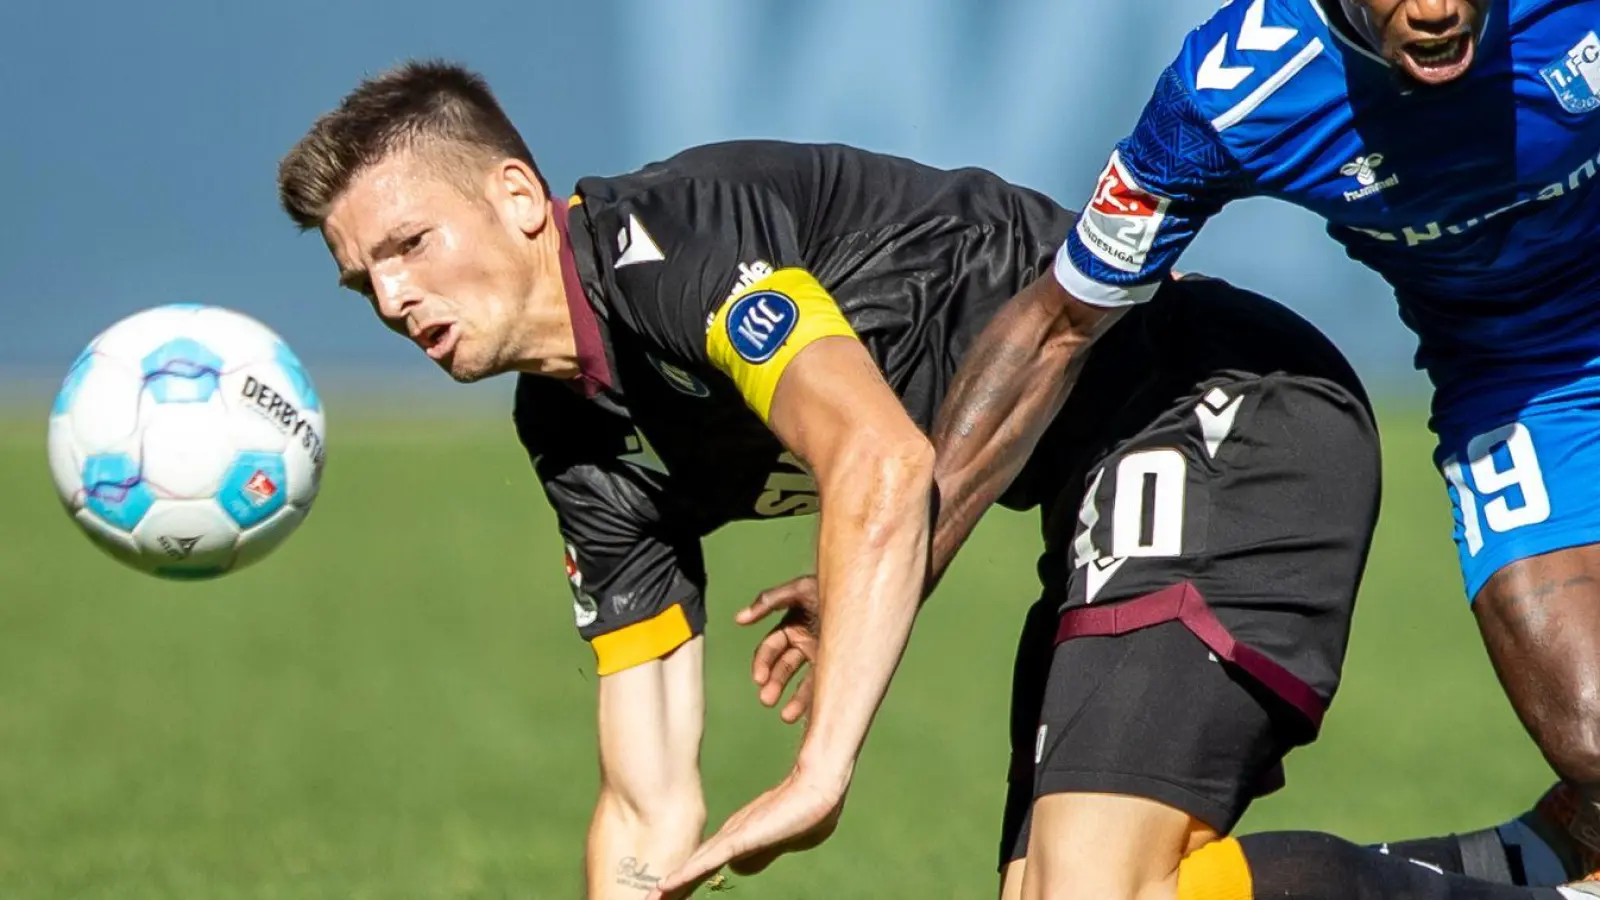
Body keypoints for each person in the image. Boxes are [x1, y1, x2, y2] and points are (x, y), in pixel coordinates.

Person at [652, 0, 1600, 896]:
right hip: (1519, 387)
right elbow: (1055, 328)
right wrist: (897, 563)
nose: (1436, 10)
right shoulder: (1235, 92)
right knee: (1592, 742)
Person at [275, 58, 1077, 899]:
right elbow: (643, 806)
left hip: (1173, 399)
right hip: (1079, 501)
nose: (394, 297)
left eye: (411, 244)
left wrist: (818, 773)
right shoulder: (569, 433)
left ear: (516, 196)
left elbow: (882, 460)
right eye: (366, 280)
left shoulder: (665, 246)